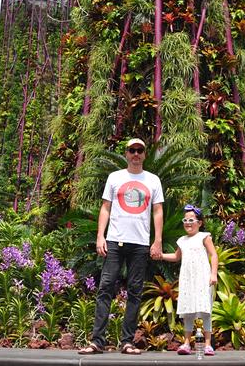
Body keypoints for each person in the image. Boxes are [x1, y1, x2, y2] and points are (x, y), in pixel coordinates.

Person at [79, 138, 164, 355]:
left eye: (140, 150)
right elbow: (105, 208)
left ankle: (127, 342)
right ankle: (97, 341)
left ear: (145, 154)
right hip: (115, 241)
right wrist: (100, 236)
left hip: (140, 244)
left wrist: (157, 240)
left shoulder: (153, 180)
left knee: (135, 291)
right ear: (126, 153)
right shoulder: (115, 177)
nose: (136, 154)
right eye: (132, 150)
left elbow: (157, 211)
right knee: (105, 288)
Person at [159, 204, 218, 356]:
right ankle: (186, 343)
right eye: (185, 220)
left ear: (199, 223)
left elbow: (214, 255)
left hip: (202, 278)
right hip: (187, 279)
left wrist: (213, 274)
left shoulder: (204, 237)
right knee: (188, 311)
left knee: (205, 310)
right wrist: (161, 255)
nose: (188, 223)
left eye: (191, 220)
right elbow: (176, 256)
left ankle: (207, 344)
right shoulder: (182, 240)